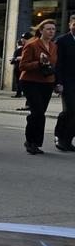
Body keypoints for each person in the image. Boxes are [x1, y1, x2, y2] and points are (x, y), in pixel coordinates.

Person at [18, 19, 59, 155]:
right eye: (48, 29)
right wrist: (38, 63)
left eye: (53, 29)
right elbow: (22, 65)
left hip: (47, 82)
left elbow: (55, 65)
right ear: (41, 30)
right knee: (38, 113)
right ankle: (31, 142)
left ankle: (35, 142)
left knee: (39, 113)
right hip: (31, 82)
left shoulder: (54, 46)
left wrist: (56, 82)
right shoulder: (32, 44)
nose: (51, 31)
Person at [55, 15, 75, 151]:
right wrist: (58, 83)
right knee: (70, 110)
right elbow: (57, 64)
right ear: (70, 24)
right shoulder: (62, 41)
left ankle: (68, 140)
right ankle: (60, 137)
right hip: (67, 82)